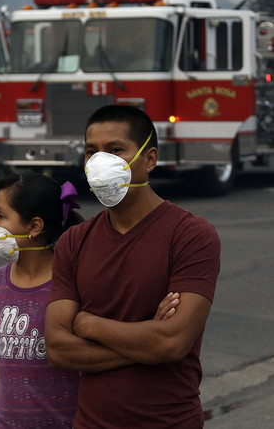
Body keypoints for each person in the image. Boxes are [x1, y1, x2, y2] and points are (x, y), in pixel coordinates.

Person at [45, 105, 221, 429]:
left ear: (149, 159)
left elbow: (172, 342)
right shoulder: (74, 241)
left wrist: (87, 324)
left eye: (114, 150)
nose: (99, 162)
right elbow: (57, 349)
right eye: (90, 152)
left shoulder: (192, 235)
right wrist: (146, 343)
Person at [0, 171, 179, 428]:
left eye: (1, 215)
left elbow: (107, 349)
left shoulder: (72, 286)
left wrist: (149, 335)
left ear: (34, 227)